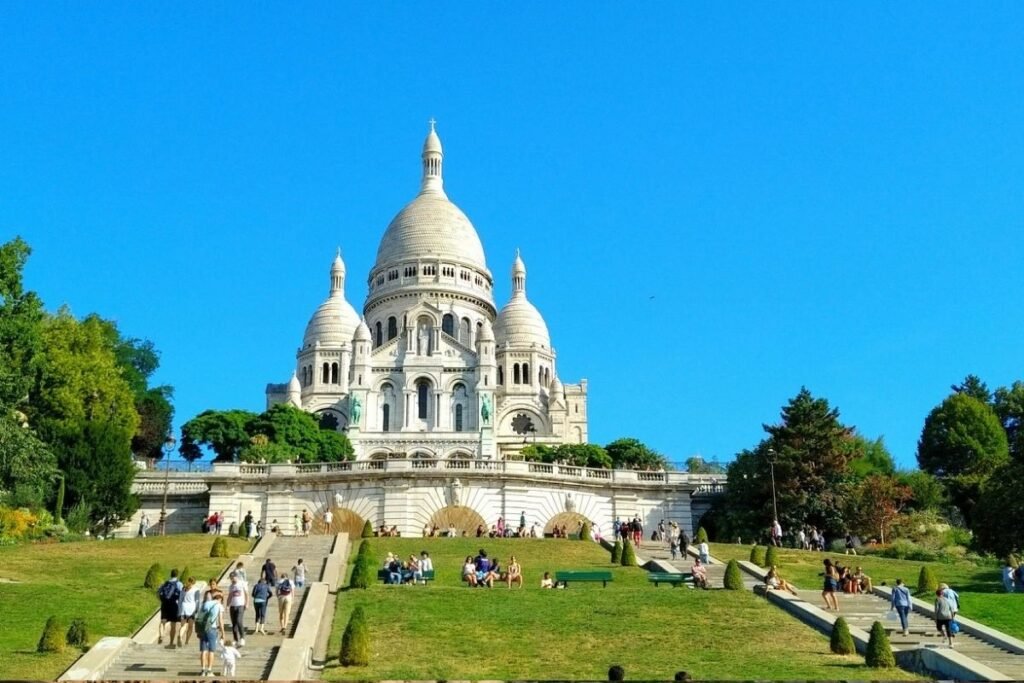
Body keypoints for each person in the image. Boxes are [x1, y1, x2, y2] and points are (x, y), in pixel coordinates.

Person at [196, 588, 225, 677]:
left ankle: (203, 670)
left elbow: (199, 616)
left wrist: (198, 630)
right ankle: (209, 671)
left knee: (203, 650)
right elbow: (220, 620)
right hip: (212, 628)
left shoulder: (205, 604)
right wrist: (223, 633)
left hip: (202, 628)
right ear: (220, 599)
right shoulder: (219, 605)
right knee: (211, 650)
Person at [157, 569, 183, 647]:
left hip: (164, 604)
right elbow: (181, 595)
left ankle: (161, 635)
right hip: (173, 604)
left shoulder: (165, 583)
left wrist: (161, 600)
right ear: (177, 575)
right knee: (173, 624)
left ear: (170, 575)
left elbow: (158, 593)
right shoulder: (179, 584)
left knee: (162, 622)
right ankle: (171, 642)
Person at [177, 576, 202, 646]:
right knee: (190, 626)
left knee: (183, 625)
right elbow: (197, 601)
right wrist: (197, 609)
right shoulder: (196, 590)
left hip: (184, 608)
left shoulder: (183, 589)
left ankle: (180, 636)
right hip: (192, 610)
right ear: (194, 582)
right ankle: (187, 641)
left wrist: (179, 610)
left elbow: (180, 600)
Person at [226, 571, 248, 646]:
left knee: (239, 621)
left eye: (232, 578)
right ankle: (235, 639)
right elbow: (230, 596)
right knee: (234, 623)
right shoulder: (231, 586)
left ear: (236, 577)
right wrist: (227, 605)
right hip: (233, 605)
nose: (232, 579)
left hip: (240, 605)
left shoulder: (242, 583)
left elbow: (246, 594)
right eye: (231, 578)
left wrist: (247, 603)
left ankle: (242, 638)